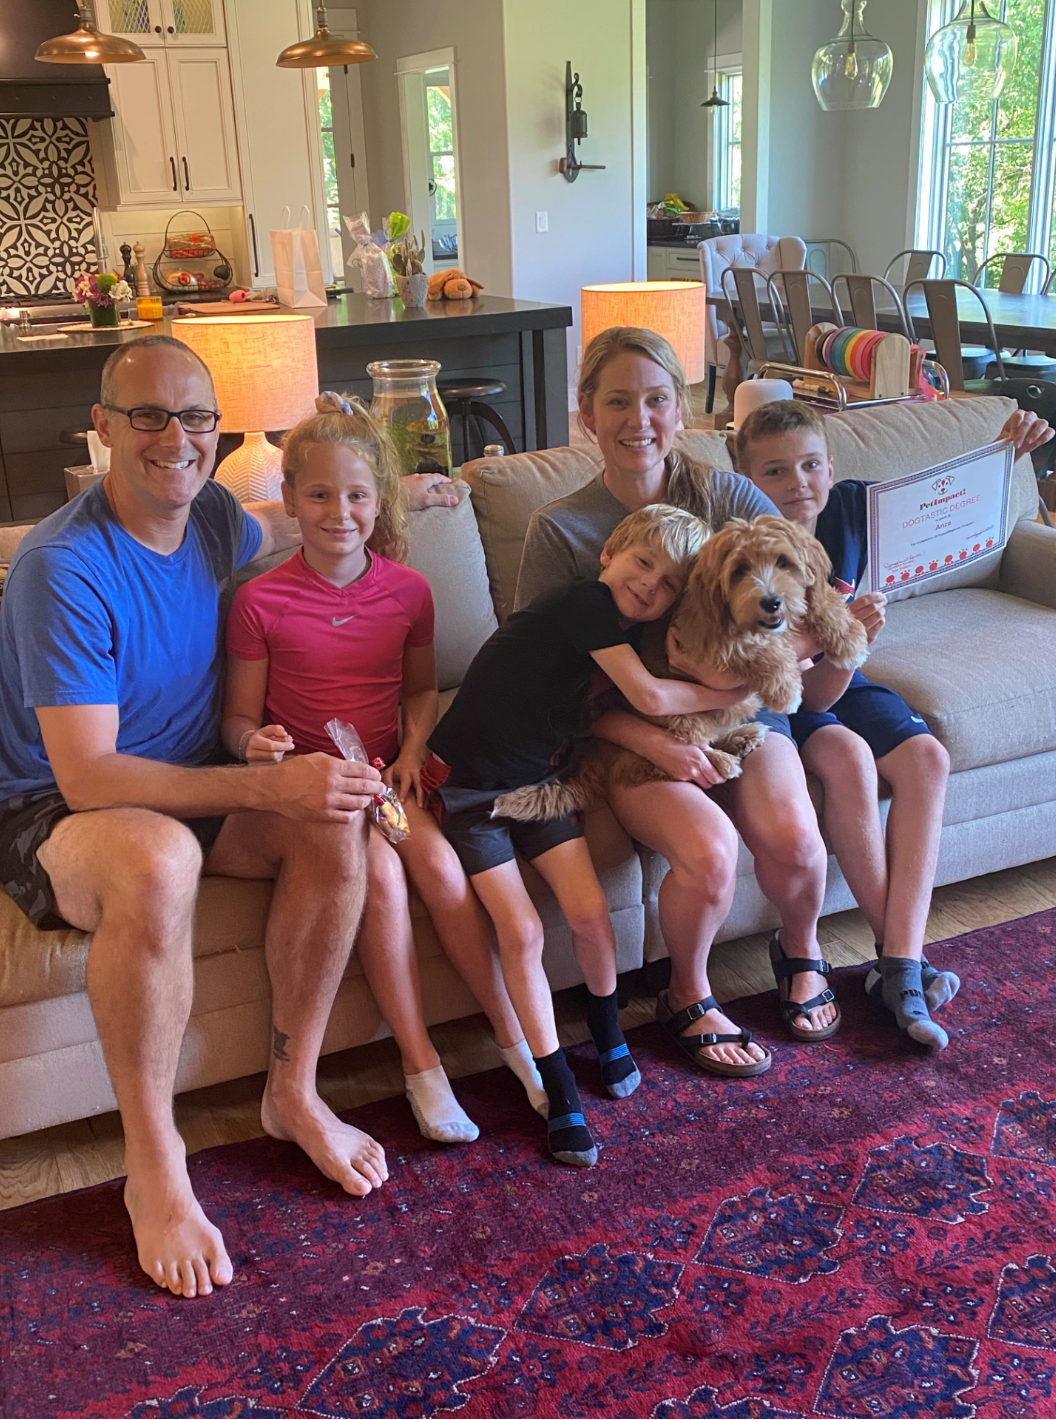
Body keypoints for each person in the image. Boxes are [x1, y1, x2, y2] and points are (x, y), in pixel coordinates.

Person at [0, 335, 459, 1301]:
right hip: (50, 803)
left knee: (334, 810)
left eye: (197, 417)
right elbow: (86, 779)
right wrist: (259, 788)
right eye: (149, 417)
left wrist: (407, 496)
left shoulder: (211, 516)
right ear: (102, 429)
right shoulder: (62, 567)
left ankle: (291, 1096)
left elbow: (302, 523)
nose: (178, 439)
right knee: (162, 858)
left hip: (191, 771)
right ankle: (154, 1159)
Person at [223, 393, 548, 1145]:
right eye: (320, 494)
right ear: (290, 501)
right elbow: (237, 721)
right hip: (318, 797)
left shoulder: (409, 591)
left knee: (442, 874)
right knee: (387, 883)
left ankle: (517, 1041)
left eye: (358, 494)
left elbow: (422, 690)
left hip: (390, 777)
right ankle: (420, 1064)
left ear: (379, 502)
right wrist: (254, 746)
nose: (340, 512)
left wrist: (408, 751)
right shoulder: (259, 600)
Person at [516, 326, 839, 1069]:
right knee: (710, 850)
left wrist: (743, 680)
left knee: (794, 836)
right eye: (619, 401)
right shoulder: (559, 529)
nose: (640, 420)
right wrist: (658, 739)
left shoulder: (725, 493)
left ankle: (802, 949)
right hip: (626, 736)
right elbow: (543, 680)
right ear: (586, 412)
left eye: (658, 399)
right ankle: (687, 994)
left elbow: (799, 591)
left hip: (743, 716)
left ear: (682, 408)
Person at [736, 396, 1054, 1050]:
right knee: (846, 758)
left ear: (831, 468)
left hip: (844, 675)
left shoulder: (853, 506)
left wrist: (1007, 455)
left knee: (927, 758)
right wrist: (847, 640)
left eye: (810, 465)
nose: (797, 483)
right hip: (791, 698)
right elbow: (810, 701)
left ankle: (898, 962)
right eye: (775, 472)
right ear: (747, 481)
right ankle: (902, 972)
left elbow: (943, 500)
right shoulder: (749, 554)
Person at [429, 504, 739, 1167]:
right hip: (471, 790)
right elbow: (651, 699)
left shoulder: (631, 635)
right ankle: (558, 1081)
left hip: (543, 783)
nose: (651, 585)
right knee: (523, 933)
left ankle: (605, 1029)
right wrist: (735, 689)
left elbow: (610, 713)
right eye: (643, 562)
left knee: (592, 915)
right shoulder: (585, 604)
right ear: (609, 555)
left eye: (669, 584)